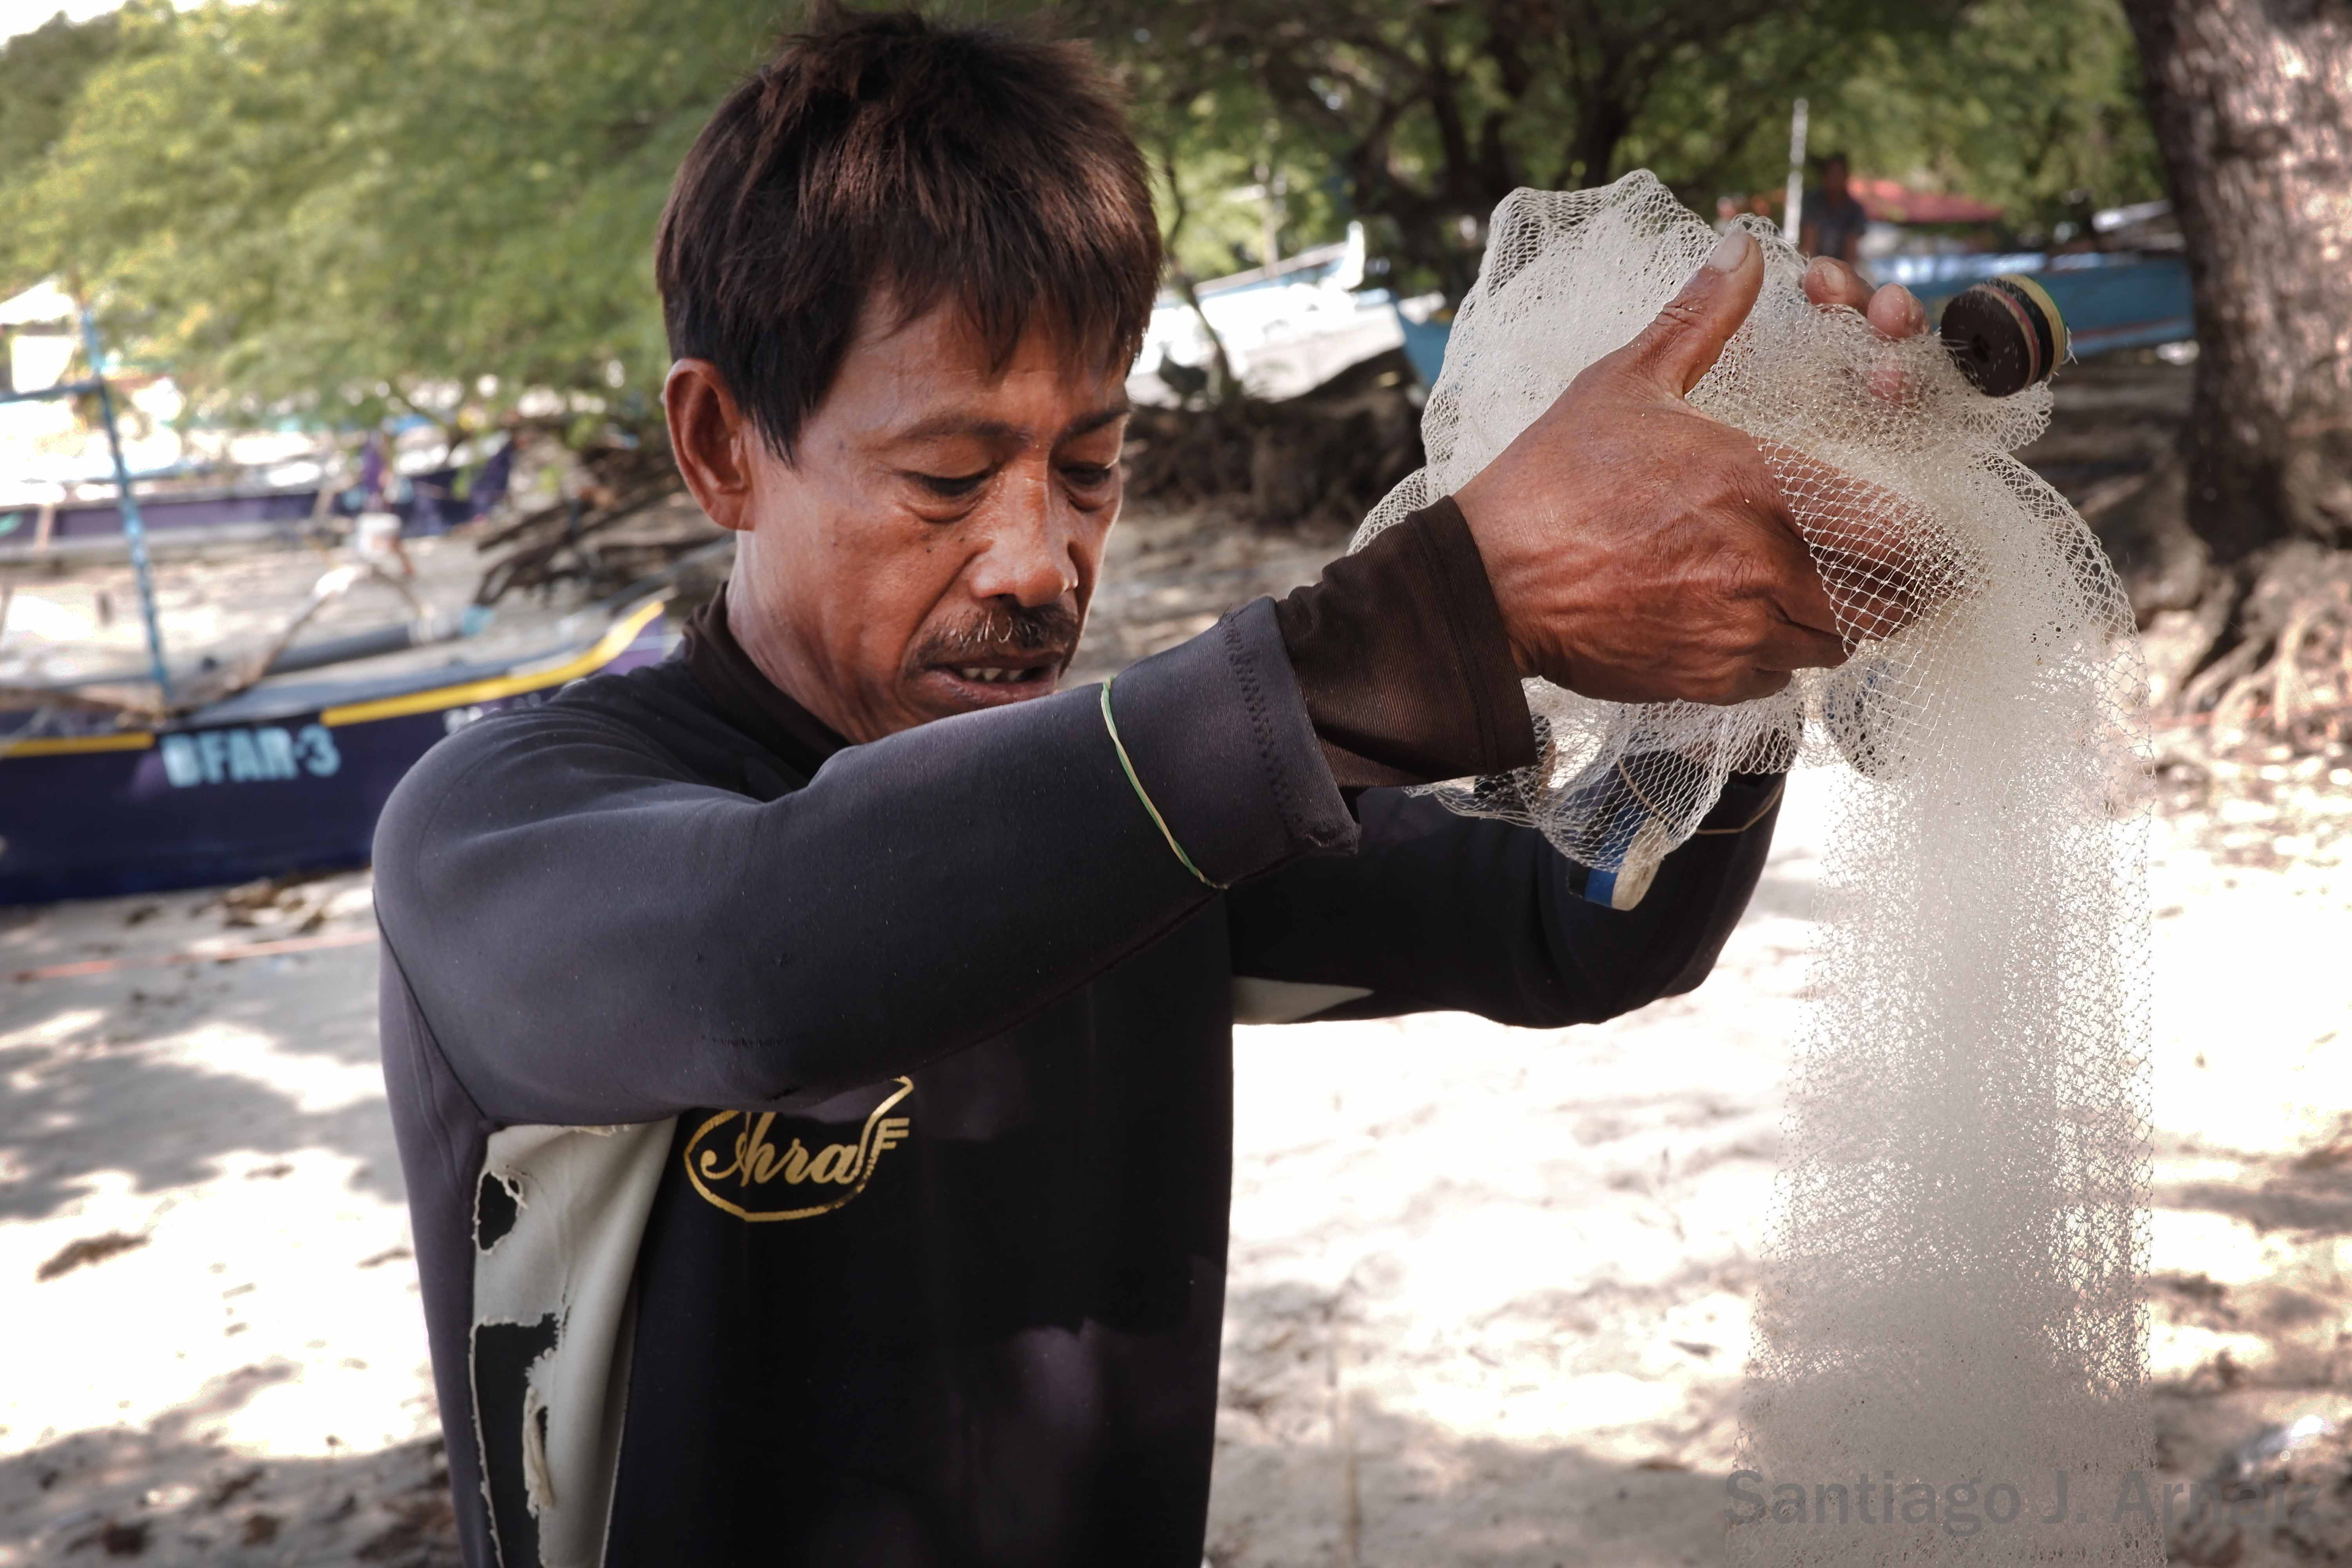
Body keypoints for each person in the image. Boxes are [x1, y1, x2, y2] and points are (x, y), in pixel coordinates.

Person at [373, 9, 1933, 1566]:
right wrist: (1435, 613)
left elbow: (1583, 928)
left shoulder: (1147, 808)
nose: (1041, 557)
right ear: (721, 447)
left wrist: (1736, 614)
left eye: (1093, 462)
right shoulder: (502, 827)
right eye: (947, 477)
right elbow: (760, 964)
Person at [1800, 152, 1873, 267]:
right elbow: (1809, 244)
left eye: (1838, 174)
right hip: (1814, 266)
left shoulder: (1855, 210)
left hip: (1842, 268)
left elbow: (1851, 250)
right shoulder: (1813, 203)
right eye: (1831, 174)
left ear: (1846, 177)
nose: (1835, 179)